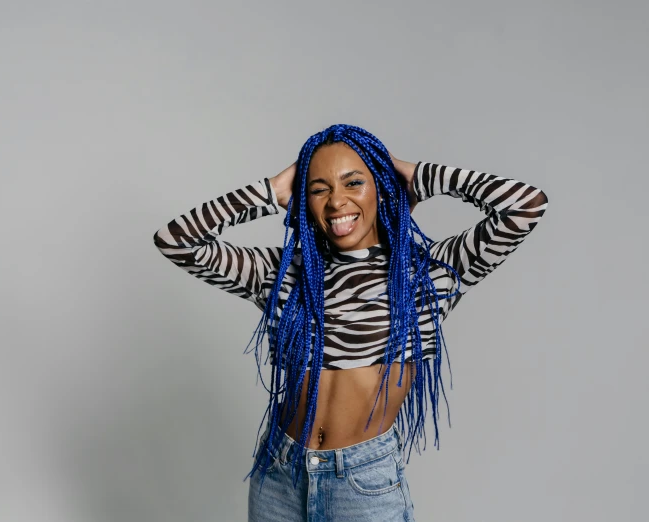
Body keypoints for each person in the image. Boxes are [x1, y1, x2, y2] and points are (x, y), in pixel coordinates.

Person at [153, 124, 548, 521]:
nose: (336, 201)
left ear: (381, 186)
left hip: (362, 483)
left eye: (354, 182)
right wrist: (269, 192)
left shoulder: (427, 273)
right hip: (279, 473)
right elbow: (176, 241)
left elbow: (526, 206)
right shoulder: (281, 273)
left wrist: (417, 176)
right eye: (319, 188)